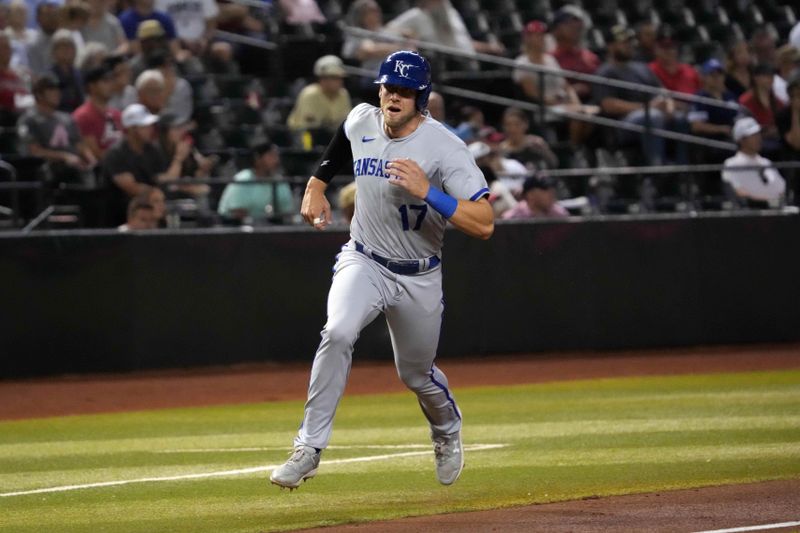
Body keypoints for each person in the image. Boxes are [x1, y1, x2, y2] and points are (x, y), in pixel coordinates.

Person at [269, 50, 493, 490]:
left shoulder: (445, 147)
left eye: (405, 91)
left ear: (421, 97)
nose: (393, 96)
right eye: (389, 87)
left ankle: (446, 430)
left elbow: (485, 223)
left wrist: (431, 191)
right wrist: (316, 185)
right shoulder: (360, 119)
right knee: (337, 332)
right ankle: (308, 449)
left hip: (419, 274)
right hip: (364, 258)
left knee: (416, 374)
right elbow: (338, 146)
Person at [593, 24, 676, 165]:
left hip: (650, 113)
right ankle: (656, 165)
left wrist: (669, 107)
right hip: (622, 124)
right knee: (653, 117)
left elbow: (663, 92)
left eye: (630, 42)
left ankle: (682, 167)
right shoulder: (605, 72)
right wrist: (647, 107)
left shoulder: (642, 67)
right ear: (611, 46)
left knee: (680, 119)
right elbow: (609, 105)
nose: (629, 45)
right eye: (624, 42)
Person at [102, 102, 190, 225]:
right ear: (132, 129)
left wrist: (178, 160)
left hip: (152, 207)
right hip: (121, 213)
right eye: (145, 126)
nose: (150, 130)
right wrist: (155, 195)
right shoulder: (116, 154)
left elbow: (162, 179)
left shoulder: (152, 150)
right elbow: (131, 188)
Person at [17, 73, 96, 185]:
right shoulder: (29, 120)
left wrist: (91, 160)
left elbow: (79, 145)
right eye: (52, 89)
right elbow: (33, 151)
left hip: (75, 167)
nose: (57, 93)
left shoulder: (67, 118)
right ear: (39, 94)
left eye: (58, 89)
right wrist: (64, 156)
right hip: (50, 170)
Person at [385, 0, 504, 70]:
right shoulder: (417, 15)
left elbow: (464, 43)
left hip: (469, 65)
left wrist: (489, 47)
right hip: (444, 67)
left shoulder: (451, 14)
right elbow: (388, 30)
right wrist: (407, 36)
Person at [217, 140, 294, 222]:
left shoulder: (279, 181)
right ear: (257, 158)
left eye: (276, 156)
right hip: (236, 227)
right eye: (271, 156)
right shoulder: (243, 179)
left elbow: (286, 211)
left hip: (269, 228)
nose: (276, 160)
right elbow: (237, 213)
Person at [341, 0, 409, 87]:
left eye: (377, 10)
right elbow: (369, 50)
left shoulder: (388, 31)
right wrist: (397, 48)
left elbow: (409, 48)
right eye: (371, 11)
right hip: (372, 74)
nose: (376, 14)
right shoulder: (357, 33)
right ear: (361, 15)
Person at [722, 117, 785, 208]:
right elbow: (738, 193)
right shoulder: (731, 164)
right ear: (741, 140)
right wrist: (768, 201)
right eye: (753, 135)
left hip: (778, 212)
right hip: (751, 215)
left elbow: (782, 189)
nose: (758, 138)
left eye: (758, 134)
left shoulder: (766, 162)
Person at [286, 54, 352, 139]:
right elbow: (310, 126)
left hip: (332, 137)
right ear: (322, 79)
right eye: (334, 78)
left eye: (340, 78)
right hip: (303, 137)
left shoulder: (343, 94)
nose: (339, 81)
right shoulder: (310, 94)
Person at [687, 58, 740, 163]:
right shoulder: (700, 98)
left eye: (719, 75)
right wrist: (721, 129)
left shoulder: (729, 96)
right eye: (712, 75)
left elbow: (738, 116)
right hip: (711, 141)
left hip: (732, 136)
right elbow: (696, 126)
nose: (717, 78)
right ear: (704, 77)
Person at [72, 63, 123, 160]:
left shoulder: (117, 115)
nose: (111, 85)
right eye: (105, 81)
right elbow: (95, 154)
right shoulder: (82, 116)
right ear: (92, 86)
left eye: (112, 81)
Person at [549, 5, 599, 101]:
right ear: (556, 29)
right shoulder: (549, 59)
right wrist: (571, 91)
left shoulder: (591, 57)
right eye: (569, 24)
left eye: (578, 25)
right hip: (563, 107)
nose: (576, 28)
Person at [739, 63, 785, 157]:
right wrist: (765, 130)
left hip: (777, 139)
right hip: (757, 140)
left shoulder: (778, 102)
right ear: (756, 78)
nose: (770, 79)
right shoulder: (746, 101)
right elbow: (745, 124)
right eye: (766, 76)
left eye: (771, 76)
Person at [501, 174, 569, 219]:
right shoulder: (514, 217)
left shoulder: (558, 213)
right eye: (545, 189)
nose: (551, 193)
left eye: (552, 189)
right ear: (530, 194)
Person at [49, 30, 84, 112]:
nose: (66, 50)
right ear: (53, 51)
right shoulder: (49, 77)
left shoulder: (79, 74)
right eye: (61, 46)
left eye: (69, 46)